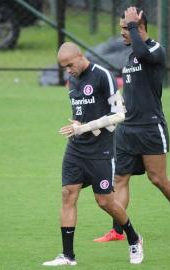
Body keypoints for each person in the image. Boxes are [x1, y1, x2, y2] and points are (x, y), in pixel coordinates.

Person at [94, 7, 170, 243]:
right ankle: (118, 231)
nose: (122, 33)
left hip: (150, 127)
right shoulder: (131, 56)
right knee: (119, 179)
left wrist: (133, 26)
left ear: (139, 27)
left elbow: (143, 52)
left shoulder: (154, 50)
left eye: (126, 28)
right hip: (127, 129)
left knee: (158, 179)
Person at [43, 42, 143, 266]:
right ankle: (68, 256)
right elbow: (82, 113)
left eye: (70, 65)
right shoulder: (73, 79)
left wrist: (85, 127)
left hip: (101, 150)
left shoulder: (102, 76)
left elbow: (119, 115)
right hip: (76, 148)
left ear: (80, 57)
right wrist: (77, 124)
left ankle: (134, 238)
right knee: (68, 193)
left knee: (105, 201)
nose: (68, 70)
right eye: (64, 67)